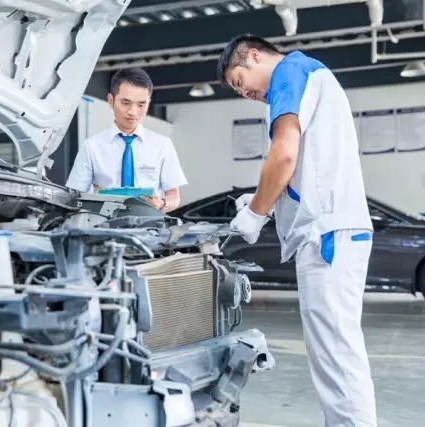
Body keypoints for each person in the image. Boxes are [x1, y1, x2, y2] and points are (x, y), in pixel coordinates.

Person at [217, 35, 377, 427]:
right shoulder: (309, 76)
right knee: (334, 353)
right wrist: (265, 205)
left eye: (240, 81)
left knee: (336, 356)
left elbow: (284, 154)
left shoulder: (289, 71)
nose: (245, 93)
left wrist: (255, 213)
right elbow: (305, 168)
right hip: (332, 233)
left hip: (327, 238)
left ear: (254, 55)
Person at [66, 68, 187, 213]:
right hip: (103, 227)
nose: (133, 112)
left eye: (141, 105)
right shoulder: (91, 146)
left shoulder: (162, 145)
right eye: (125, 103)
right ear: (111, 101)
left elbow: (174, 197)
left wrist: (161, 204)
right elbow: (74, 196)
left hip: (150, 228)